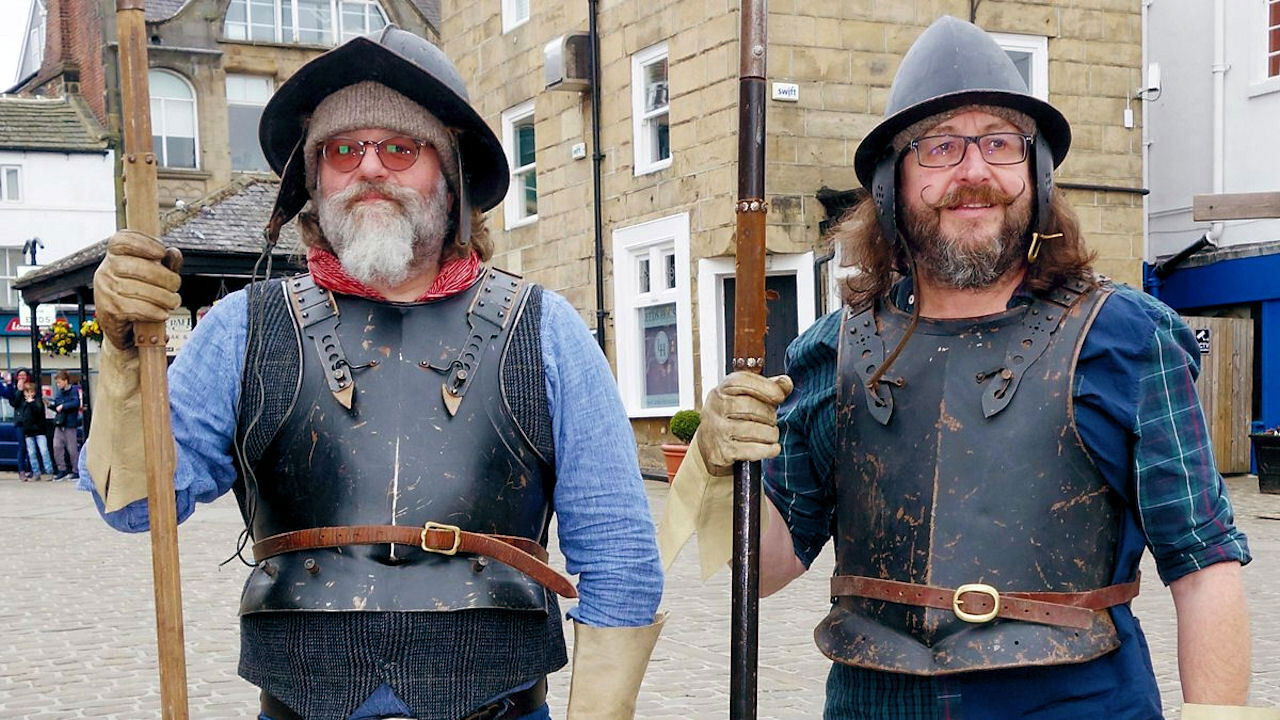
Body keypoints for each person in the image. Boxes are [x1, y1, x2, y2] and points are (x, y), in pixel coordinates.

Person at [662, 16, 1256, 720]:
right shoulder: (833, 352)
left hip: (1077, 703)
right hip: (873, 704)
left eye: (1000, 142)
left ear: (1035, 171)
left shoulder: (1126, 338)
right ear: (893, 182)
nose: (975, 172)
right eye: (940, 146)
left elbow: (1203, 563)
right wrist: (718, 466)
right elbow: (766, 571)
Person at [81, 26, 664, 720]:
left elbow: (620, 553)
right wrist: (124, 358)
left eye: (400, 148)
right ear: (314, 180)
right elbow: (135, 505)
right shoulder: (243, 328)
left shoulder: (544, 329)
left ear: (450, 175)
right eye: (342, 150)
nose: (369, 169)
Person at [2, 368, 36, 480]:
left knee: (32, 447)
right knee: (22, 446)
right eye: (20, 375)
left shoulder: (32, 388)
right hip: (20, 422)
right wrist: (19, 391)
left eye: (24, 375)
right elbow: (14, 403)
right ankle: (21, 471)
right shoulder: (14, 389)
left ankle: (32, 470)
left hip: (31, 421)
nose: (22, 378)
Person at [17, 383, 54, 480]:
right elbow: (24, 416)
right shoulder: (23, 404)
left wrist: (31, 403)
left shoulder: (38, 401)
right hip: (28, 432)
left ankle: (49, 471)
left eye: (31, 392)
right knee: (32, 453)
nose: (29, 394)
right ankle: (36, 472)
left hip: (39, 431)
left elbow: (38, 411)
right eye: (27, 392)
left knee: (44, 451)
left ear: (34, 392)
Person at [51, 370, 81, 481]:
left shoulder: (73, 390)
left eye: (59, 382)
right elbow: (56, 404)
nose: (58, 385)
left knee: (72, 449)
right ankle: (62, 469)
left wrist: (64, 406)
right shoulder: (59, 392)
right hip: (60, 423)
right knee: (56, 446)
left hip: (70, 423)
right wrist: (51, 405)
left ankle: (76, 470)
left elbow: (76, 403)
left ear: (65, 381)